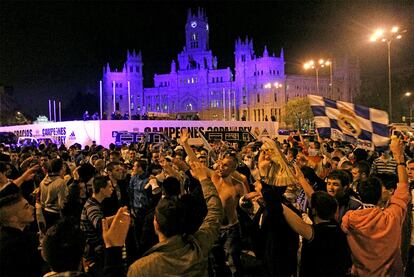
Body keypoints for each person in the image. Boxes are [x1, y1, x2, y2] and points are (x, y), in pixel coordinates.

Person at [127, 161, 223, 276]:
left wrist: (112, 249)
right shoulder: (199, 246)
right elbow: (215, 211)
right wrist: (203, 178)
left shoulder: (140, 269)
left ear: (156, 224)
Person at [341, 138, 410, 276]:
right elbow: (403, 187)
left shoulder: (349, 219)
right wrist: (399, 157)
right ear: (380, 195)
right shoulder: (392, 216)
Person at [282, 191, 351, 276]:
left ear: (314, 211)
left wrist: (276, 200)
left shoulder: (315, 233)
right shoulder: (340, 230)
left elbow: (290, 216)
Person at [0, 190, 43, 276]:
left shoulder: (9, 236)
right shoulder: (18, 246)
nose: (32, 207)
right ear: (13, 218)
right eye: (26, 207)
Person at [80, 176, 114, 276]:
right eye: (110, 187)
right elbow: (99, 223)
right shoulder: (92, 206)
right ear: (102, 189)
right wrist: (118, 216)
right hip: (93, 252)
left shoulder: (94, 203)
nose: (112, 189)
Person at [38, 158, 68, 230]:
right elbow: (62, 203)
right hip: (56, 214)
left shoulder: (42, 182)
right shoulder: (60, 182)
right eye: (63, 167)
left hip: (45, 213)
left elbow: (42, 200)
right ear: (60, 168)